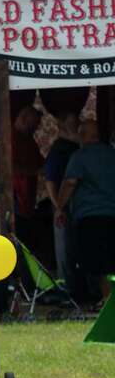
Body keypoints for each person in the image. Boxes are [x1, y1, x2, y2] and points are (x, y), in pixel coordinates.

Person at [57, 120, 115, 303]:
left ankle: (102, 299)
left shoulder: (80, 156)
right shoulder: (112, 154)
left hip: (90, 217)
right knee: (111, 259)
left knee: (94, 262)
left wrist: (59, 207)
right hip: (112, 214)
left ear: (83, 136)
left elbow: (70, 183)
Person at [44, 113, 81, 295]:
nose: (78, 126)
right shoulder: (60, 149)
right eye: (73, 123)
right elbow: (50, 180)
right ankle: (67, 290)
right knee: (65, 250)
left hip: (76, 207)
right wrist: (58, 206)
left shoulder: (76, 148)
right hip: (65, 207)